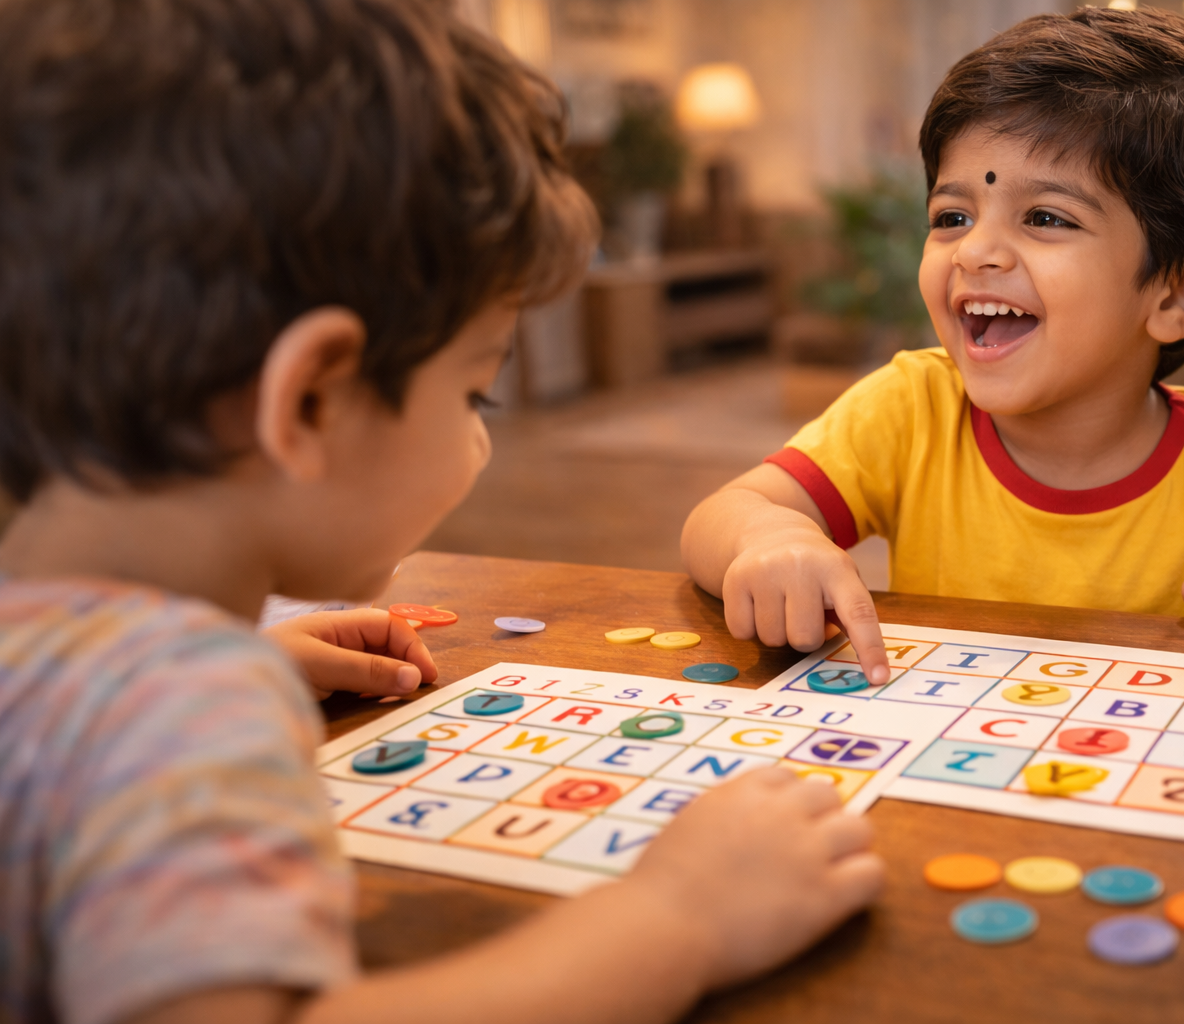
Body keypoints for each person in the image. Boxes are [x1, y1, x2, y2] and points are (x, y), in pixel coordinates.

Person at [0, 3, 882, 1023]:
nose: (481, 434)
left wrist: (226, 685)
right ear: (311, 400)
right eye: (475, 391)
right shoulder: (184, 708)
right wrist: (676, 920)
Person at [683, 7, 1184, 687]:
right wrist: (767, 538)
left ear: (1178, 294)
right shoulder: (911, 408)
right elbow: (719, 517)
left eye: (1046, 217)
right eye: (952, 216)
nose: (976, 250)